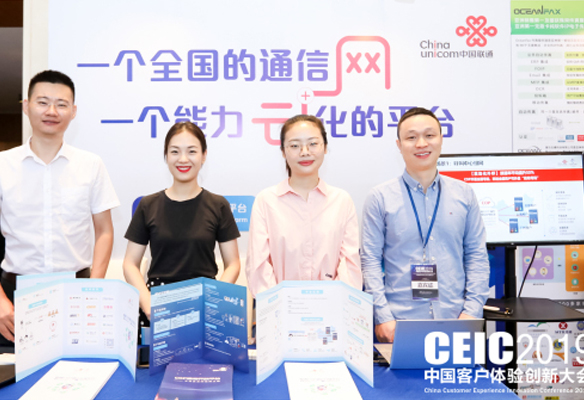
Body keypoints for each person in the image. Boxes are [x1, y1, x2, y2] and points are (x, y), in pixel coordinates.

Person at [0, 70, 120, 343]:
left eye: (61, 104)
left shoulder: (91, 165)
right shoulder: (3, 165)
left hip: (76, 294)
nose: (52, 111)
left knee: (76, 367)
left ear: (73, 111)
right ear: (26, 106)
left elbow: (104, 231)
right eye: (42, 102)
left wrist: (93, 291)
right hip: (13, 300)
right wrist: (0, 301)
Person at [361, 107, 489, 343]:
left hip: (456, 320)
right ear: (399, 145)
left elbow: (476, 256)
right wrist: (383, 317)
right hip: (399, 324)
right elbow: (370, 261)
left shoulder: (464, 194)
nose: (421, 144)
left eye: (429, 135)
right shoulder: (380, 197)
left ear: (441, 139)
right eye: (411, 137)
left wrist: (471, 312)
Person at [123, 122, 241, 332]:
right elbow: (130, 263)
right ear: (166, 156)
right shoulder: (148, 205)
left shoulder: (218, 205)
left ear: (204, 155)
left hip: (205, 303)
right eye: (175, 151)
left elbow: (233, 264)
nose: (183, 159)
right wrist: (147, 303)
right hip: (157, 307)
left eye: (192, 151)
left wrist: (214, 298)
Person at [245, 115, 362, 297]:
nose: (305, 152)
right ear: (283, 152)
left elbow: (350, 264)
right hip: (280, 307)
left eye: (313, 144)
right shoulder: (266, 201)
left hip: (332, 306)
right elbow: (258, 266)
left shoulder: (341, 200)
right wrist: (281, 305)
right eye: (295, 146)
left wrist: (332, 303)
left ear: (325, 147)